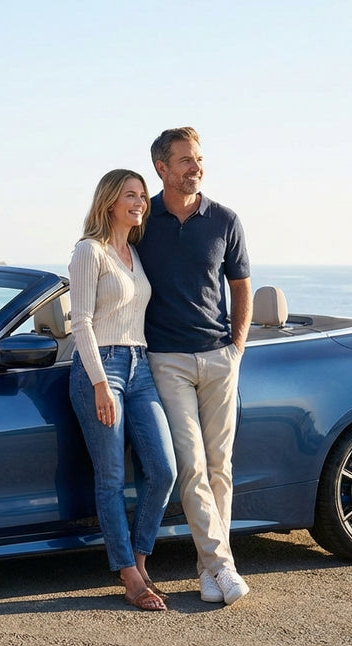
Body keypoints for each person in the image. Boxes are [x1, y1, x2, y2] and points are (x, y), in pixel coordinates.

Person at [136, 127, 253, 605]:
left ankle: (208, 571)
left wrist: (237, 346)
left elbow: (241, 285)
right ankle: (224, 566)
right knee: (192, 465)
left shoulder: (224, 219)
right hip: (167, 360)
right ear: (161, 168)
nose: (195, 167)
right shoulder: (143, 223)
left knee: (220, 467)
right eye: (185, 160)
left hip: (220, 357)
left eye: (198, 159)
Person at [67, 168, 177, 612]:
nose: (140, 202)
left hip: (141, 366)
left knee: (164, 469)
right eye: (130, 194)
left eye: (143, 196)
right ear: (109, 201)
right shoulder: (87, 252)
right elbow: (81, 323)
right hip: (103, 368)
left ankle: (139, 559)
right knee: (110, 477)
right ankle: (129, 576)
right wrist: (99, 383)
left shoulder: (134, 252)